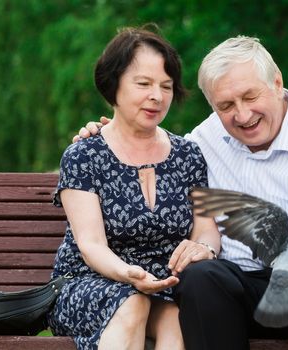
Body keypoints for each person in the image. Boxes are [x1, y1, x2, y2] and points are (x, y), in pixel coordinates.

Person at [75, 35, 288, 350]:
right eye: (226, 106)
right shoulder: (203, 141)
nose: (243, 115)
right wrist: (106, 134)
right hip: (243, 293)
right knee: (201, 278)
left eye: (250, 96)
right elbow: (148, 150)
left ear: (276, 82)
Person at [49, 26, 220, 350]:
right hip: (91, 283)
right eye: (143, 84)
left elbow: (206, 229)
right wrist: (129, 274)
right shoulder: (84, 154)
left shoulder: (189, 155)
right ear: (113, 85)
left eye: (166, 86)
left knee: (176, 318)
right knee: (132, 304)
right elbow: (91, 246)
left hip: (165, 286)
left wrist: (204, 249)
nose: (157, 96)